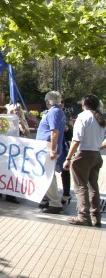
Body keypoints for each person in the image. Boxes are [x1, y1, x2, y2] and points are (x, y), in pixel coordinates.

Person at [63, 94, 106, 227]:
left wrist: (68, 158)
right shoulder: (100, 117)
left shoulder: (83, 116)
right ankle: (96, 217)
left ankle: (83, 216)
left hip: (83, 154)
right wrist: (98, 147)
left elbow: (76, 140)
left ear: (83, 104)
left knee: (81, 186)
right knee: (93, 187)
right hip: (96, 155)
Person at [36, 91, 67, 214]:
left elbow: (54, 132)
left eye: (46, 101)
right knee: (49, 175)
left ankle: (55, 203)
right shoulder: (58, 112)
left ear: (49, 101)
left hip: (48, 148)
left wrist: (52, 150)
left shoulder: (54, 112)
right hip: (49, 147)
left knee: (47, 175)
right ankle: (52, 200)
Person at [0, 106, 20, 204]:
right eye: (4, 113)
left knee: (8, 172)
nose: (6, 115)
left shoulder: (9, 123)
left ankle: (9, 194)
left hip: (6, 152)